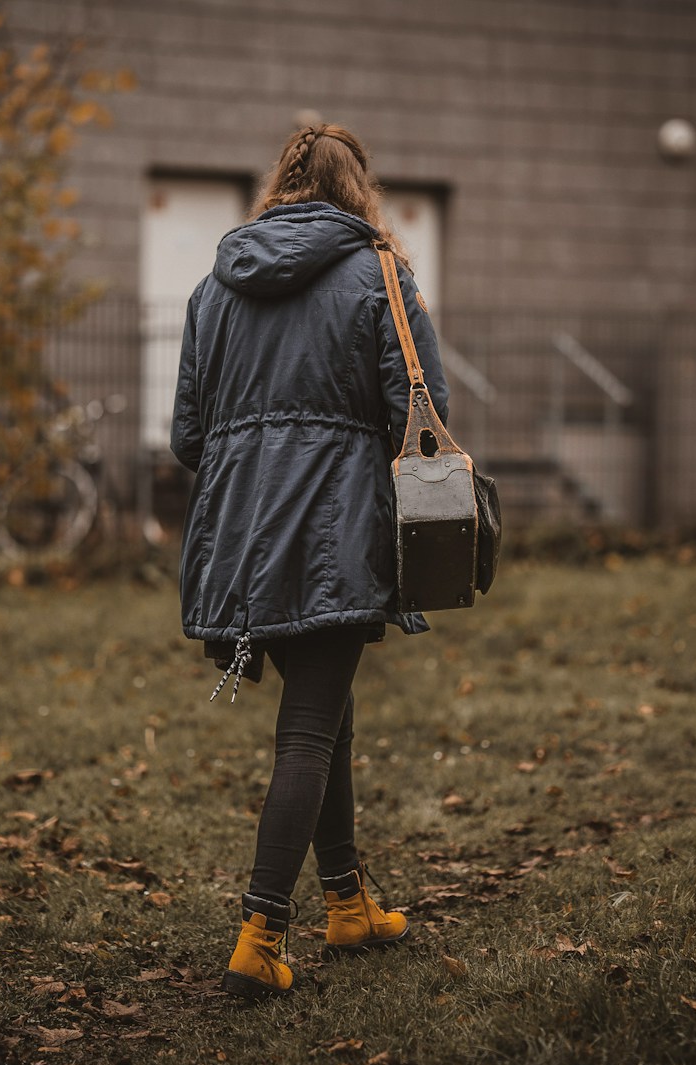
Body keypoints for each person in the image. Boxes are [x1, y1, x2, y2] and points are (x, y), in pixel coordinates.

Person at [170, 123, 450, 999]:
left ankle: (348, 903)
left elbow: (187, 437)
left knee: (325, 715)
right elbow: (423, 412)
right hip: (336, 531)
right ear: (356, 187)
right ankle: (259, 934)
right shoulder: (382, 276)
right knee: (308, 730)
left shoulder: (214, 287)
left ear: (279, 184)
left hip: (241, 539)